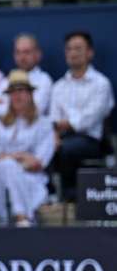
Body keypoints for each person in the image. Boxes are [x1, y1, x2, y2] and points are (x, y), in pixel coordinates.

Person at [49, 31, 115, 200]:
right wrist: (54, 134)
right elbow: (53, 119)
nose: (73, 53)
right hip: (62, 139)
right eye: (69, 49)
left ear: (90, 53)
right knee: (46, 147)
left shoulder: (101, 83)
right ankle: (49, 200)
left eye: (78, 48)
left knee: (67, 148)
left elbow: (91, 118)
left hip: (92, 141)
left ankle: (71, 198)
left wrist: (65, 124)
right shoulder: (58, 87)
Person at [0, 71, 56, 226]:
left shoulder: (43, 124)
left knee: (9, 166)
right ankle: (22, 217)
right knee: (5, 167)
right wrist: (20, 156)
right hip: (0, 176)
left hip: (32, 178)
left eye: (21, 91)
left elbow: (38, 162)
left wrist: (10, 158)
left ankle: (21, 215)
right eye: (12, 92)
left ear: (30, 94)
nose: (17, 96)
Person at [0, 33, 53, 118]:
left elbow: (34, 111)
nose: (22, 57)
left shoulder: (44, 80)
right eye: (18, 52)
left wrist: (4, 103)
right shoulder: (8, 79)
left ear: (38, 54)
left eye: (26, 52)